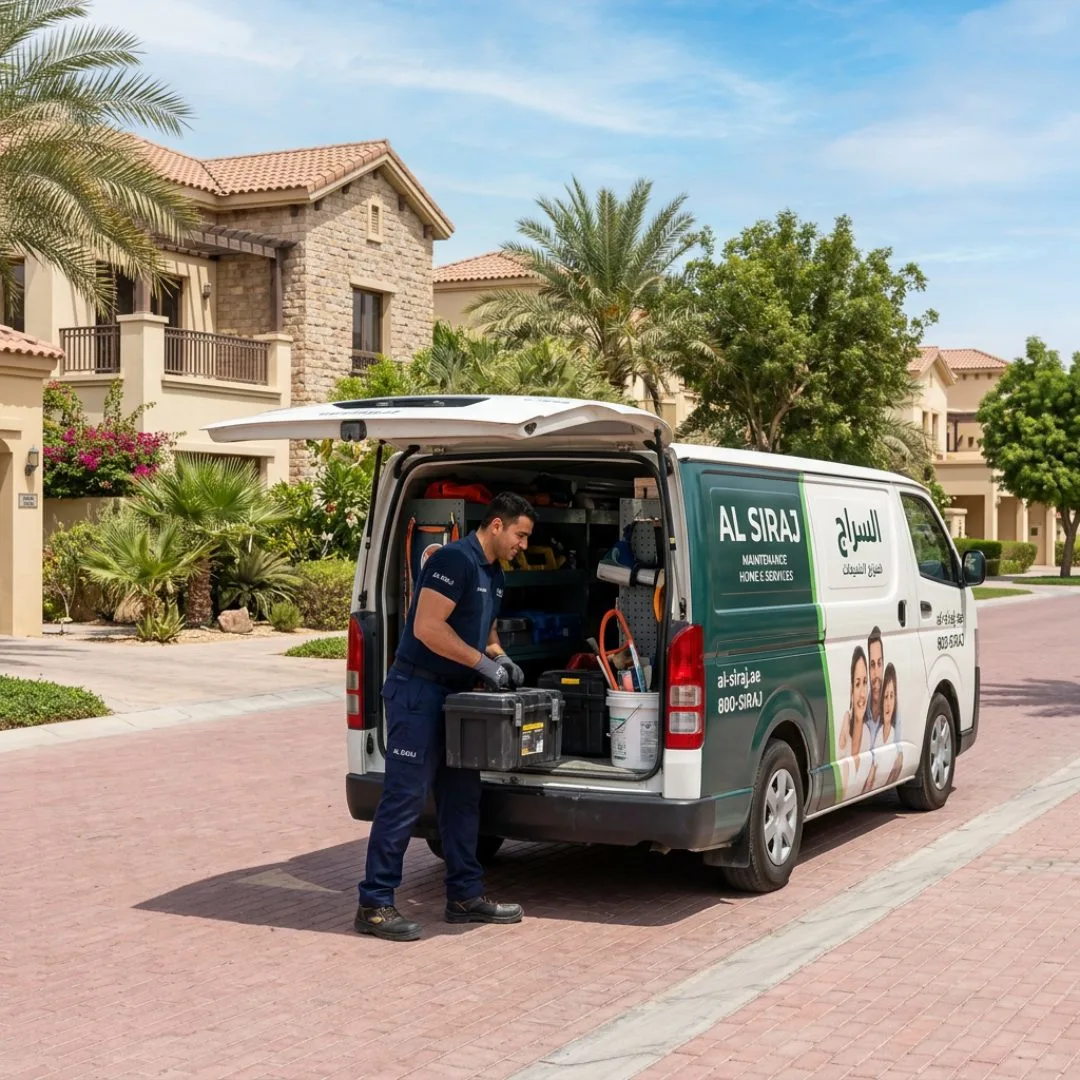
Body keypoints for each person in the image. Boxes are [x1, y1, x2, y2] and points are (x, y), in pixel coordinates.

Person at [355, 492, 537, 942]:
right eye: (521, 535)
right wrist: (481, 663)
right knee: (405, 797)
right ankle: (374, 904)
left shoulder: (493, 572)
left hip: (456, 697)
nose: (524, 545)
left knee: (462, 798)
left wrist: (500, 655)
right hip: (417, 691)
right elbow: (427, 628)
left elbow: (485, 624)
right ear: (496, 525)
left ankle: (464, 896)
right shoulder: (454, 560)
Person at [838, 646, 870, 797]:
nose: (863, 693)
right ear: (851, 689)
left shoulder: (869, 735)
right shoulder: (845, 723)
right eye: (858, 684)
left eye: (865, 682)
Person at [863, 627, 885, 750]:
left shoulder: (891, 707)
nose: (876, 674)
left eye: (879, 664)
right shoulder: (861, 713)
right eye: (872, 665)